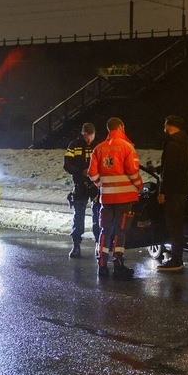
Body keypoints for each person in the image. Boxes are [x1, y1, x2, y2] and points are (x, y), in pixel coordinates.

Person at [88, 117, 143, 280]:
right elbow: (133, 172)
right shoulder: (127, 147)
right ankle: (118, 264)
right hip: (124, 198)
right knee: (120, 231)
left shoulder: (99, 148)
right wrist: (139, 186)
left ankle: (102, 265)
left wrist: (101, 185)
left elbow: (92, 173)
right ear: (120, 127)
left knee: (104, 230)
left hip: (106, 198)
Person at [156, 115, 188, 272]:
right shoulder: (184, 142)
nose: (164, 129)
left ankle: (176, 259)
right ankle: (176, 254)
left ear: (169, 127)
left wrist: (163, 192)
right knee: (177, 225)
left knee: (174, 226)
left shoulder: (172, 144)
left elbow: (169, 171)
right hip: (181, 189)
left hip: (173, 192)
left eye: (165, 126)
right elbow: (178, 167)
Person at [63, 122, 101, 258]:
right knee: (78, 215)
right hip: (80, 185)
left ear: (94, 134)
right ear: (82, 134)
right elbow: (66, 164)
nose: (88, 140)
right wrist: (80, 172)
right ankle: (76, 245)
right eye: (86, 137)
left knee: (98, 215)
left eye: (90, 137)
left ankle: (99, 244)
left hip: (96, 185)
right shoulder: (74, 145)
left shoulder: (99, 145)